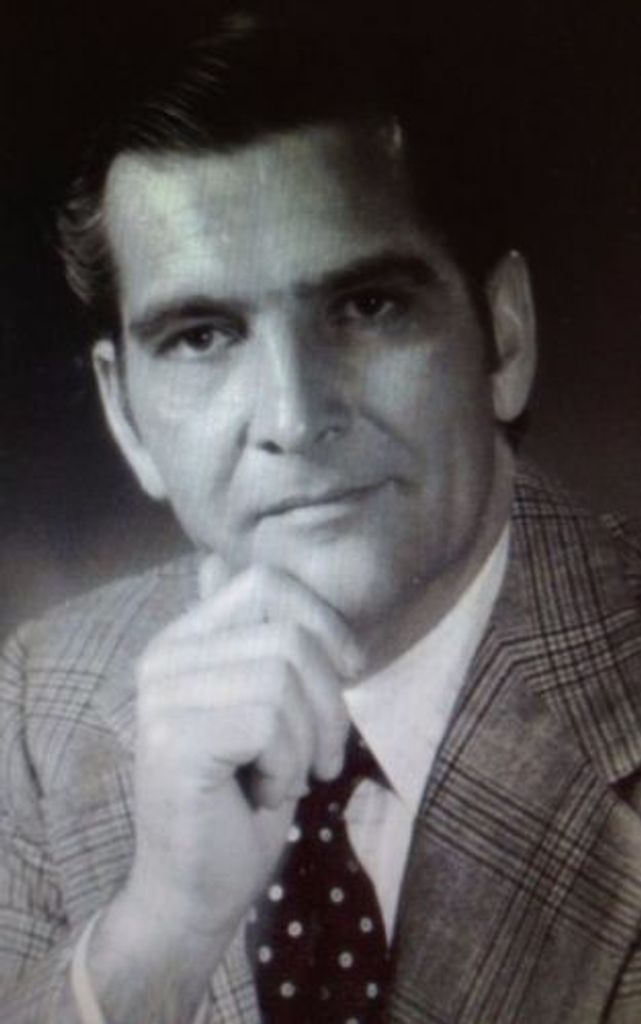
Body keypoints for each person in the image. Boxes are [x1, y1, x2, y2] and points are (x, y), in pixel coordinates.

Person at [2, 9, 641, 1023]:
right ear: (124, 416)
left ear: (503, 339)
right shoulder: (36, 706)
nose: (294, 419)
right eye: (202, 335)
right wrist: (155, 935)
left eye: (367, 307)